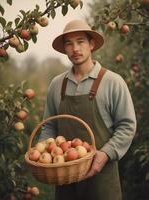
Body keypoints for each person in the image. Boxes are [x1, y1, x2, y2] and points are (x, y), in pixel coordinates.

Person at [39, 19, 136, 200]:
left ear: (91, 44)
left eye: (81, 41)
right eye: (69, 43)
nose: (75, 48)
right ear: (64, 49)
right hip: (65, 178)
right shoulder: (57, 84)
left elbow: (127, 126)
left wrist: (106, 153)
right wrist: (42, 152)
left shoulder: (113, 82)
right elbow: (49, 126)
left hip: (102, 180)